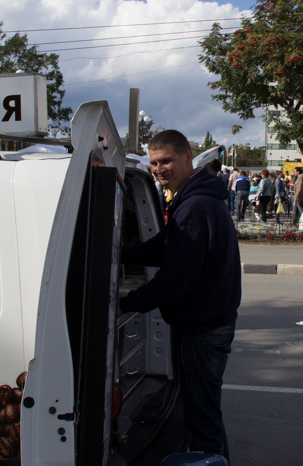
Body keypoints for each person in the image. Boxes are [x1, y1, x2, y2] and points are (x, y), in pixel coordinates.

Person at [119, 130, 241, 461]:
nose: (160, 169)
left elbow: (175, 279)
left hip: (202, 331)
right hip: (208, 325)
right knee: (205, 417)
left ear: (188, 157)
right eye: (155, 163)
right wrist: (123, 253)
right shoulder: (195, 200)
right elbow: (167, 249)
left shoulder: (195, 207)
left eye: (167, 161)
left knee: (202, 422)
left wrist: (125, 304)